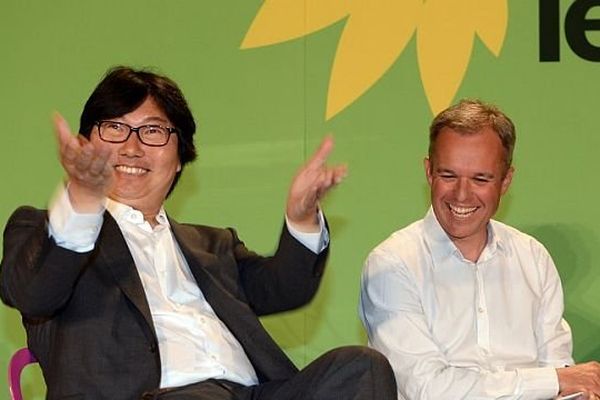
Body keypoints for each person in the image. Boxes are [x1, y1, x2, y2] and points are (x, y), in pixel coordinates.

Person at [0, 66, 396, 400]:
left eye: (153, 131)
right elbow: (33, 294)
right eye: (115, 128)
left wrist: (302, 217)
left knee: (361, 369)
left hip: (251, 392)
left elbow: (285, 288)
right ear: (86, 144)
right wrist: (84, 199)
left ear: (179, 158)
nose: (133, 148)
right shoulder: (49, 231)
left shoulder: (213, 245)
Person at [359, 99, 600, 400]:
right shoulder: (392, 264)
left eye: (480, 179)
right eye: (448, 175)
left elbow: (563, 376)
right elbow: (428, 389)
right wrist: (549, 381)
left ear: (506, 181)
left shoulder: (533, 258)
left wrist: (573, 390)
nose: (462, 194)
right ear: (428, 172)